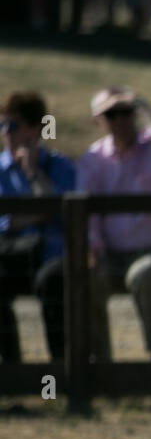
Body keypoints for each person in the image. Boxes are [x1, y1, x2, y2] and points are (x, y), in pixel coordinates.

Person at [77, 87, 151, 363]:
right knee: (84, 278)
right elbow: (87, 213)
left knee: (143, 275)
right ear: (97, 121)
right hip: (112, 255)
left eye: (126, 112)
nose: (120, 120)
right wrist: (94, 250)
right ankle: (101, 367)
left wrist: (145, 106)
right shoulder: (92, 159)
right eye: (111, 114)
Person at [0, 92, 76, 363]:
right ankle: (11, 372)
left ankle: (62, 371)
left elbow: (68, 214)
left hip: (52, 258)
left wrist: (33, 173)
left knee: (52, 281)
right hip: (11, 257)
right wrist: (42, 212)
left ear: (35, 128)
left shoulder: (61, 167)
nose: (5, 133)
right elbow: (6, 223)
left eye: (11, 126)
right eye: (2, 126)